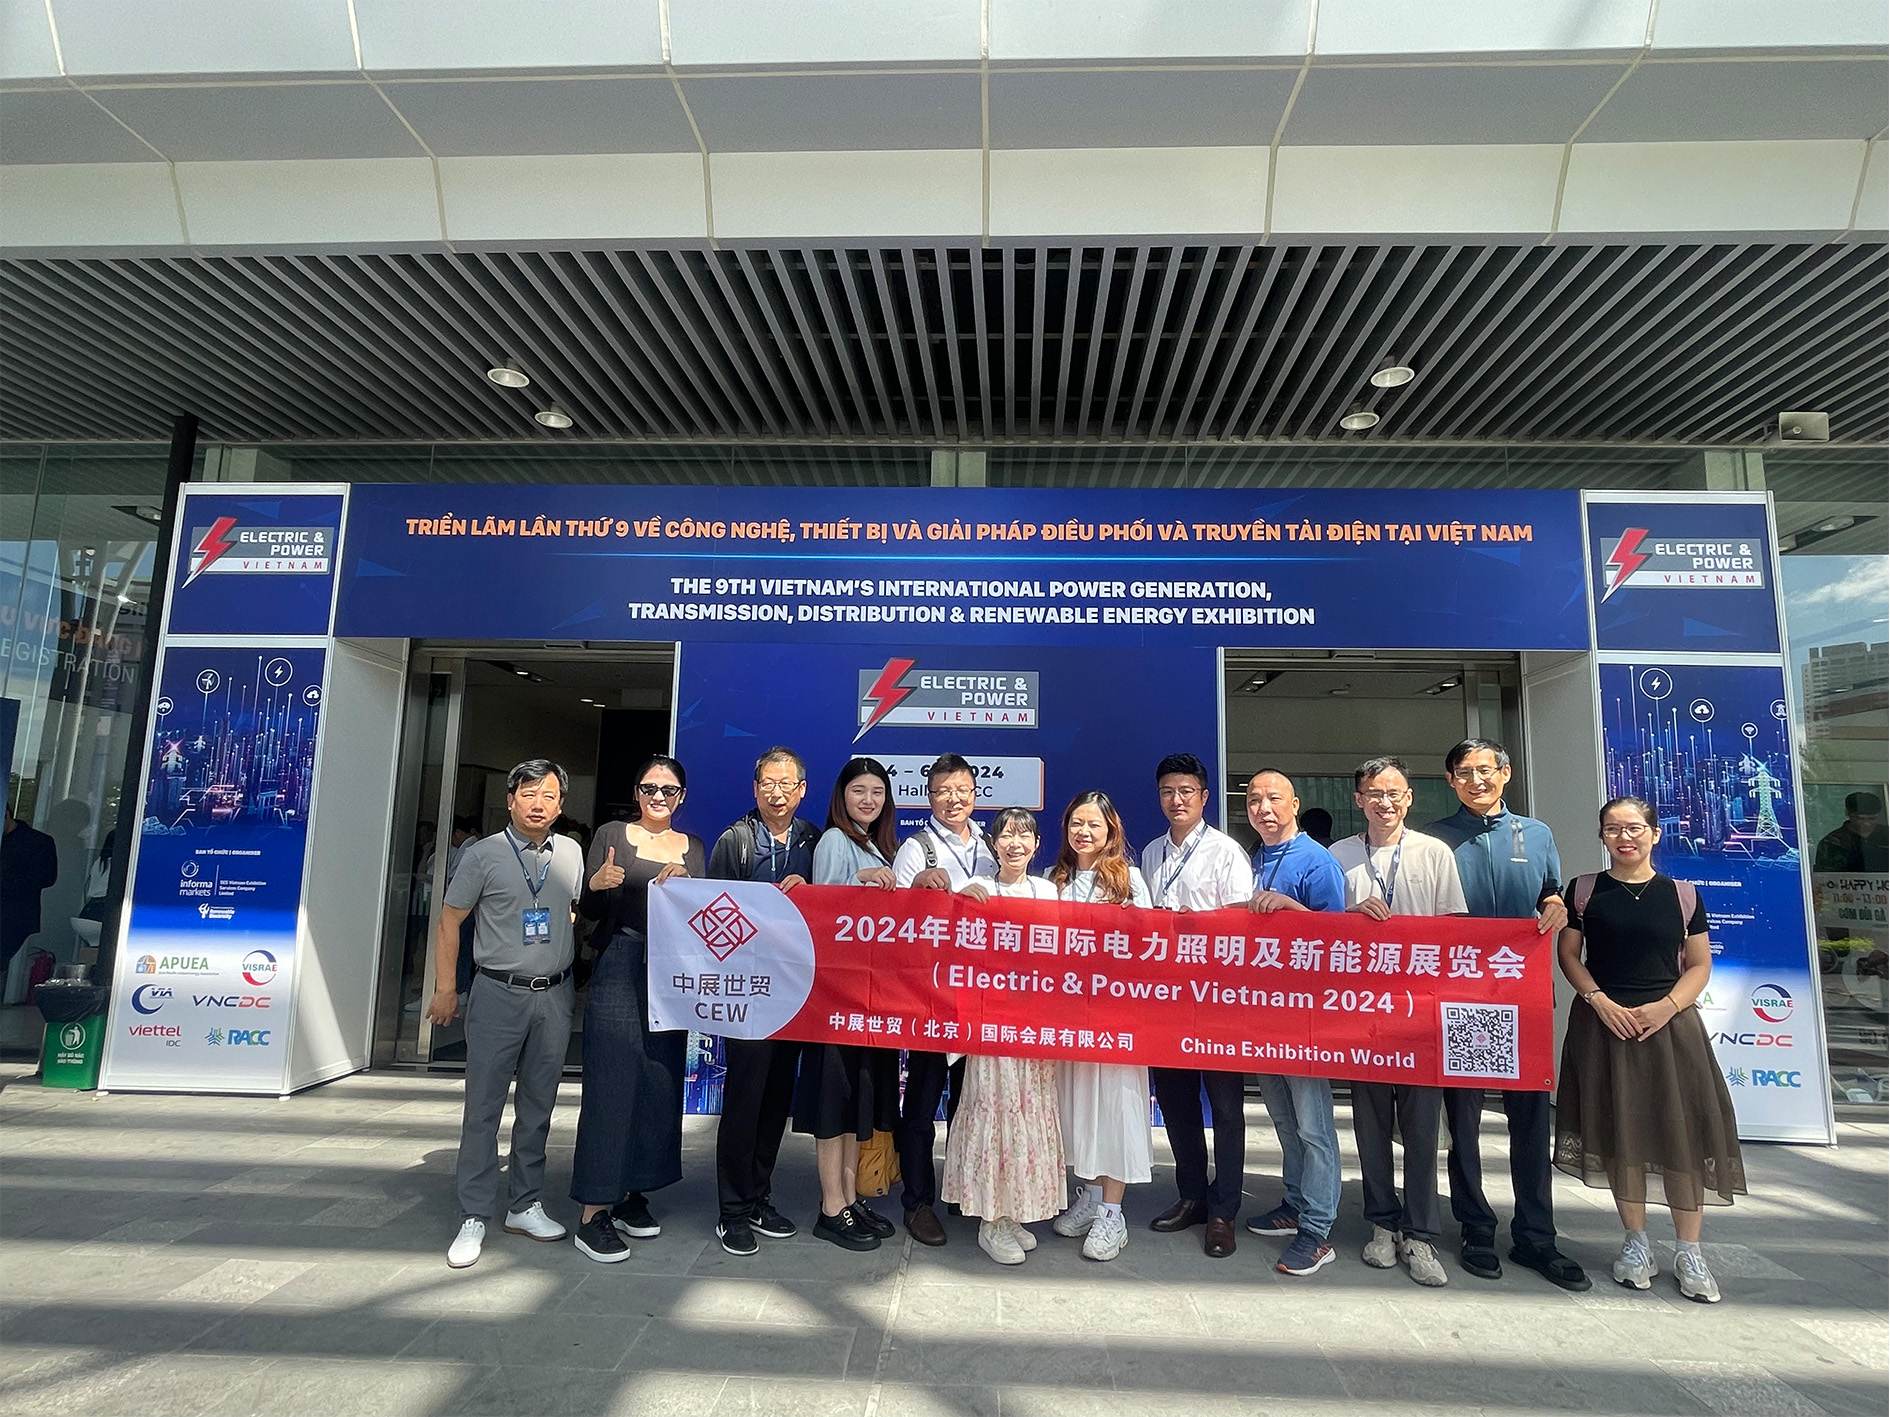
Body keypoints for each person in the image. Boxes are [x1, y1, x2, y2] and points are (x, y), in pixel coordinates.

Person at [1555, 795, 1745, 1304]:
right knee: (1621, 1129)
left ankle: (1689, 1251)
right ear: (1602, 836)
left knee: (1682, 1131)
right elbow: (1569, 955)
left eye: (1634, 828)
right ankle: (1636, 1243)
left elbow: (1699, 965)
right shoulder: (1583, 891)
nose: (1624, 837)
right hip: (1605, 1025)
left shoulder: (1682, 895)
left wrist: (1666, 1007)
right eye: (1613, 829)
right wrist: (1598, 1001)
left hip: (1670, 1028)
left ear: (1655, 834)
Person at [1427, 738, 1590, 1291]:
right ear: (1450, 781)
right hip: (1462, 997)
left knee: (1530, 1118)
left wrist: (1554, 905)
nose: (1476, 781)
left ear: (1506, 773)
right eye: (1464, 772)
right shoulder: (1435, 839)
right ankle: (1475, 1226)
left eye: (1485, 770)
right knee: (1465, 1119)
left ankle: (1536, 1235)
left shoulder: (1536, 833)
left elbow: (1550, 892)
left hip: (1523, 994)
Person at [429, 760, 585, 1269]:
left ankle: (524, 1203)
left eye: (550, 795)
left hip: (554, 996)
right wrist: (446, 988)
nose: (539, 804)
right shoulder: (483, 854)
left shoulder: (571, 852)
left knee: (538, 1106)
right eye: (529, 794)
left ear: (561, 805)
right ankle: (474, 1213)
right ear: (510, 799)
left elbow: (570, 910)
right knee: (483, 1108)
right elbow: (450, 920)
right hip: (498, 992)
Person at [1329, 755, 1467, 1288]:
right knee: (1369, 1127)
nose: (1384, 802)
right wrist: (1349, 917)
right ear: (1358, 800)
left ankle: (1421, 1234)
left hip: (1420, 1015)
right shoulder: (1340, 856)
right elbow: (1323, 934)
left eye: (1394, 793)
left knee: (1422, 1130)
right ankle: (1382, 1224)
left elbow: (1454, 933)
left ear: (1409, 798)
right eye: (1374, 793)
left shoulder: (1434, 852)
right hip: (1362, 1015)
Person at [568, 754, 704, 1263]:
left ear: (681, 797)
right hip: (621, 961)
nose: (658, 797)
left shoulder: (694, 847)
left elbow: (703, 914)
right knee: (612, 1080)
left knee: (656, 1080)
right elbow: (591, 911)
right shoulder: (612, 835)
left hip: (671, 972)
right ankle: (593, 1211)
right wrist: (596, 885)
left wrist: (687, 885)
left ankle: (631, 1193)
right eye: (650, 788)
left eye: (669, 790)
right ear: (636, 792)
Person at [1141, 752, 1255, 1259]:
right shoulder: (1151, 853)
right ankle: (1191, 1195)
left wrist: (1197, 922)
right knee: (1176, 1102)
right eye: (1168, 791)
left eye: (1186, 791)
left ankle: (1224, 1210)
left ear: (1205, 797)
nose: (1177, 800)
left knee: (1226, 1108)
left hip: (1217, 1001)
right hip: (1166, 1000)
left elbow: (1241, 922)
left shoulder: (1227, 852)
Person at [708, 747, 821, 1257]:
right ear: (755, 789)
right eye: (768, 784)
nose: (777, 793)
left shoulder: (813, 839)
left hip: (794, 993)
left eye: (786, 784)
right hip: (747, 994)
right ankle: (731, 1210)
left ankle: (758, 1196)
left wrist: (809, 890)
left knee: (776, 1099)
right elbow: (712, 913)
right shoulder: (735, 840)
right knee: (744, 1100)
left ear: (802, 790)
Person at [946, 808, 1066, 1264]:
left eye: (1024, 835)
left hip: (1033, 1027)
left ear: (1036, 844)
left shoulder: (1047, 891)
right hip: (990, 1026)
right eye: (1006, 835)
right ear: (993, 844)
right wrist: (960, 902)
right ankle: (989, 1219)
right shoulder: (978, 888)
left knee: (1030, 1116)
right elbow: (955, 946)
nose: (1015, 843)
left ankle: (1012, 1210)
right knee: (994, 1112)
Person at [1241, 769, 1347, 1278]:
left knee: (1314, 1126)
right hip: (1263, 1015)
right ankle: (1295, 1203)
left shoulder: (1317, 861)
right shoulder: (1253, 858)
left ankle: (1318, 1229)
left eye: (1274, 799)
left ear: (1295, 803)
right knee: (1284, 1120)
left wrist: (1290, 907)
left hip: (1305, 1019)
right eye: (1254, 800)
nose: (1263, 808)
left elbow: (1338, 943)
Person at [891, 752, 998, 1247]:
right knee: (921, 1102)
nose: (953, 800)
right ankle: (917, 1202)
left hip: (982, 997)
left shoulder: (993, 846)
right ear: (928, 796)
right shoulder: (916, 849)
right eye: (943, 792)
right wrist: (917, 889)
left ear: (976, 793)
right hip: (931, 999)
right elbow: (895, 924)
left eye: (962, 790)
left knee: (970, 1102)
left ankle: (960, 1188)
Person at [796, 756, 902, 1251]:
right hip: (834, 1000)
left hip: (868, 1001)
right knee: (832, 1105)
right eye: (859, 790)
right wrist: (859, 881)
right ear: (842, 796)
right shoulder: (835, 841)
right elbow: (823, 912)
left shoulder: (880, 847)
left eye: (877, 792)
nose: (868, 800)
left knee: (853, 1103)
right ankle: (830, 1206)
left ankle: (849, 1196)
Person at [1046, 791, 1152, 1262]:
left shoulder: (1130, 881)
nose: (1084, 832)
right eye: (1076, 823)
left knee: (1114, 1111)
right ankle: (1089, 1195)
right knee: (1076, 1108)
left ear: (1111, 830)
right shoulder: (1055, 880)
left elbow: (1150, 947)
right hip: (1068, 1018)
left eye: (1094, 824)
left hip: (1116, 1020)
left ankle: (1113, 1213)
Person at [1, 806, 58, 977]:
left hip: (14, 916)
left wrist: (7, 883)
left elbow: (46, 877)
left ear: (6, 815)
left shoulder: (37, 842)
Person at [1814, 791, 1887, 875]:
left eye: (1872, 819)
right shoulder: (1832, 843)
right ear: (1847, 813)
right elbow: (1825, 877)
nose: (1867, 823)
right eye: (1861, 819)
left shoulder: (1886, 836)